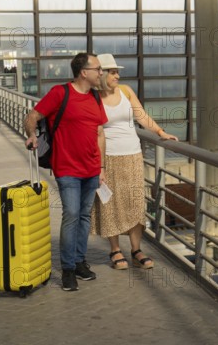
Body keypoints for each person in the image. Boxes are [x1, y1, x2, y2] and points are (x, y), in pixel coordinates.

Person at [24, 53, 108, 291]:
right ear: (84, 72)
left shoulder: (95, 96)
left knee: (84, 216)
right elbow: (32, 116)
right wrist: (31, 135)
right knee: (71, 215)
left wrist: (101, 167)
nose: (101, 73)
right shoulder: (60, 94)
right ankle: (68, 269)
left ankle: (80, 262)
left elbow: (100, 133)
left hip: (92, 169)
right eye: (98, 69)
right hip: (67, 168)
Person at [90, 54, 177, 270]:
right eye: (113, 72)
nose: (117, 75)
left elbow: (141, 116)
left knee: (136, 202)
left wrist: (159, 131)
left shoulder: (126, 91)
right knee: (110, 203)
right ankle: (115, 250)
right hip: (108, 158)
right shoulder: (93, 97)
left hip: (133, 155)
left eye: (117, 72)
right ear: (102, 75)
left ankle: (136, 249)